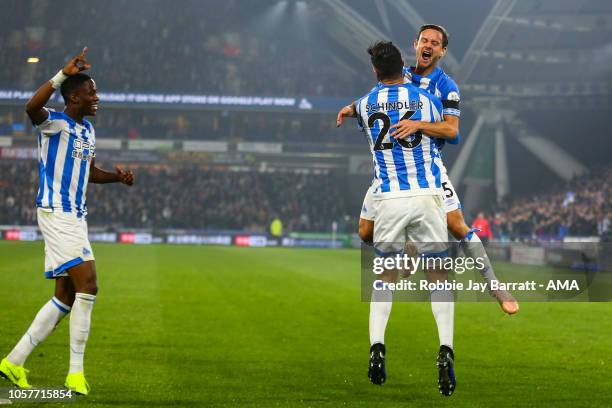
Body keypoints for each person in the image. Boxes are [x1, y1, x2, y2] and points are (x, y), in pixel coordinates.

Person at [337, 24, 518, 315]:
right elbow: (374, 97)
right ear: (416, 43)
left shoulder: (447, 87)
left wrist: (418, 124)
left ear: (442, 51)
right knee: (364, 232)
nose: (428, 45)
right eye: (424, 40)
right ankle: (408, 245)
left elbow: (452, 131)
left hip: (427, 169)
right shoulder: (401, 74)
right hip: (390, 171)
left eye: (435, 42)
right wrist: (350, 108)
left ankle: (494, 284)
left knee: (458, 226)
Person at [0, 48, 134, 395]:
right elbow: (31, 107)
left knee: (66, 295)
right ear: (74, 96)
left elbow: (89, 173)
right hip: (57, 213)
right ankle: (75, 373)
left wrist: (117, 178)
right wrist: (61, 73)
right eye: (91, 92)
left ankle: (13, 362)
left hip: (75, 215)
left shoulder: (87, 130)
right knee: (89, 285)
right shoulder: (54, 124)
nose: (97, 97)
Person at [354, 41, 456, 396]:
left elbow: (367, 113)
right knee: (438, 277)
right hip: (427, 194)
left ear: (375, 72)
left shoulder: (366, 105)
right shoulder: (426, 100)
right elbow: (444, 133)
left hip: (389, 198)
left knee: (384, 278)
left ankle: (377, 347)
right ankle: (445, 350)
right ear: (405, 66)